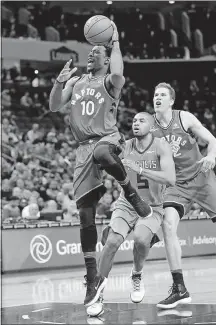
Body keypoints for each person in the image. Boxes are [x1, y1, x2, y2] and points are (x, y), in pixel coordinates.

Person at [49, 22, 152, 305]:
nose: (91, 54)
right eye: (91, 51)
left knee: (103, 154)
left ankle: (130, 191)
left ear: (106, 60)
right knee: (85, 216)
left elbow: (119, 71)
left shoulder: (110, 82)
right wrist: (59, 83)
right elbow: (54, 106)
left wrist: (115, 40)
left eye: (98, 51)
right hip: (82, 151)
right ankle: (92, 278)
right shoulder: (76, 82)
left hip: (106, 138)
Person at [85, 112, 176, 316]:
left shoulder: (161, 146)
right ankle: (97, 294)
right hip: (126, 204)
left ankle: (136, 275)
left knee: (142, 241)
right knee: (112, 242)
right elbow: (102, 160)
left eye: (141, 120)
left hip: (153, 206)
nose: (136, 123)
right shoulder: (124, 146)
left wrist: (140, 169)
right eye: (134, 121)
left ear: (152, 126)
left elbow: (171, 179)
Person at [151, 82, 216, 309]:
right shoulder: (148, 127)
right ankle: (180, 289)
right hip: (176, 185)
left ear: (171, 101)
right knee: (168, 226)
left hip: (202, 178)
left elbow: (212, 140)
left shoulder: (184, 118)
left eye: (162, 95)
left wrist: (212, 157)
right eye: (155, 95)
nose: (157, 98)